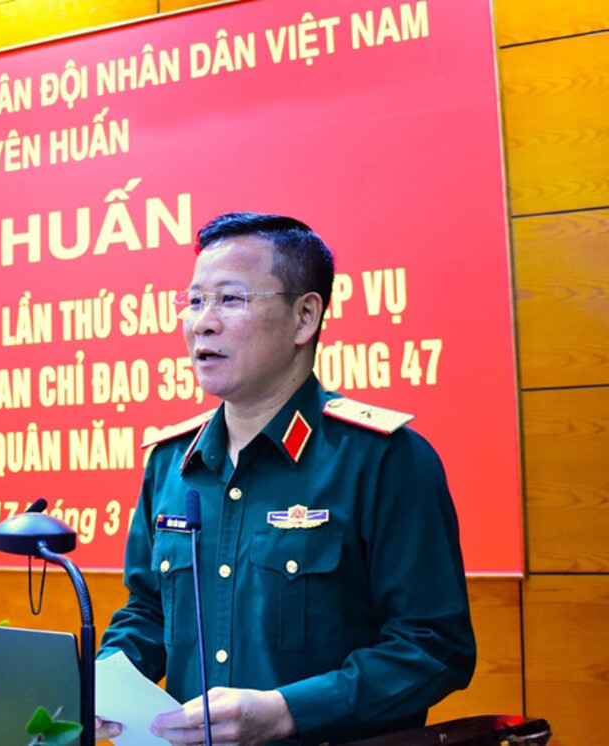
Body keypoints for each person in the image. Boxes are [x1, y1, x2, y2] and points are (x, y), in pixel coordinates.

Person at [96, 213, 475, 745]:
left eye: (230, 299)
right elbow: (148, 612)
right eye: (194, 301)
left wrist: (286, 711)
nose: (202, 323)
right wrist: (100, 684)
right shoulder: (172, 463)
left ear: (304, 317)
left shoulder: (383, 459)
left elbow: (434, 647)